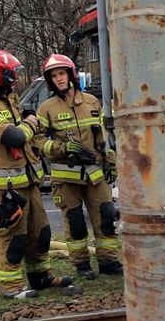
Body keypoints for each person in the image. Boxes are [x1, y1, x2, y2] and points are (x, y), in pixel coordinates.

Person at [0, 48, 80, 299]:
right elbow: (14, 137)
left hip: (29, 183)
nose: (15, 78)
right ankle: (12, 287)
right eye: (11, 73)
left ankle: (41, 277)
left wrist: (25, 120)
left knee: (40, 234)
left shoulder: (8, 99)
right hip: (6, 189)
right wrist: (30, 122)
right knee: (13, 238)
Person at [34, 53, 122, 280]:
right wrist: (63, 148)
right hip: (66, 178)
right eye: (54, 76)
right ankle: (82, 264)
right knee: (75, 224)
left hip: (95, 174)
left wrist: (111, 165)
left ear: (70, 75)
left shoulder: (92, 102)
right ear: (50, 80)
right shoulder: (46, 108)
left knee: (105, 217)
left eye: (62, 74)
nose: (59, 79)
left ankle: (108, 261)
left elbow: (103, 139)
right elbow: (38, 141)